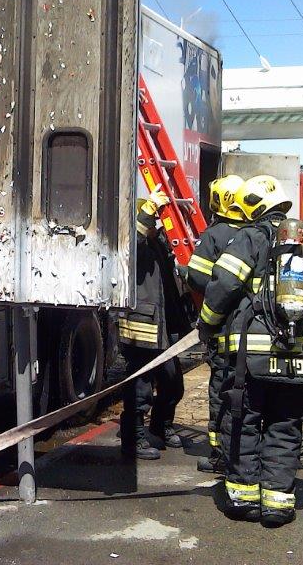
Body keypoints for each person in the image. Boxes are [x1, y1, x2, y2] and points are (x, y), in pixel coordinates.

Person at [199, 175, 303, 526]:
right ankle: (278, 503)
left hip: (251, 358)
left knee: (244, 423)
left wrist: (207, 324)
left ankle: (244, 498)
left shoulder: (250, 237)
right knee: (285, 425)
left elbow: (223, 287)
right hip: (296, 357)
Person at [118, 188, 189, 460]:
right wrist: (147, 211)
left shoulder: (157, 242)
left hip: (163, 325)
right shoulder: (131, 243)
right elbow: (131, 243)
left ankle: (160, 427)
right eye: (149, 219)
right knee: (139, 388)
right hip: (141, 327)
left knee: (173, 383)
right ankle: (133, 438)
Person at [187, 174, 245, 474]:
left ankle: (219, 453)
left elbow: (196, 277)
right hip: (252, 330)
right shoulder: (255, 234)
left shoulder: (214, 234)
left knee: (221, 391)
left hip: (222, 326)